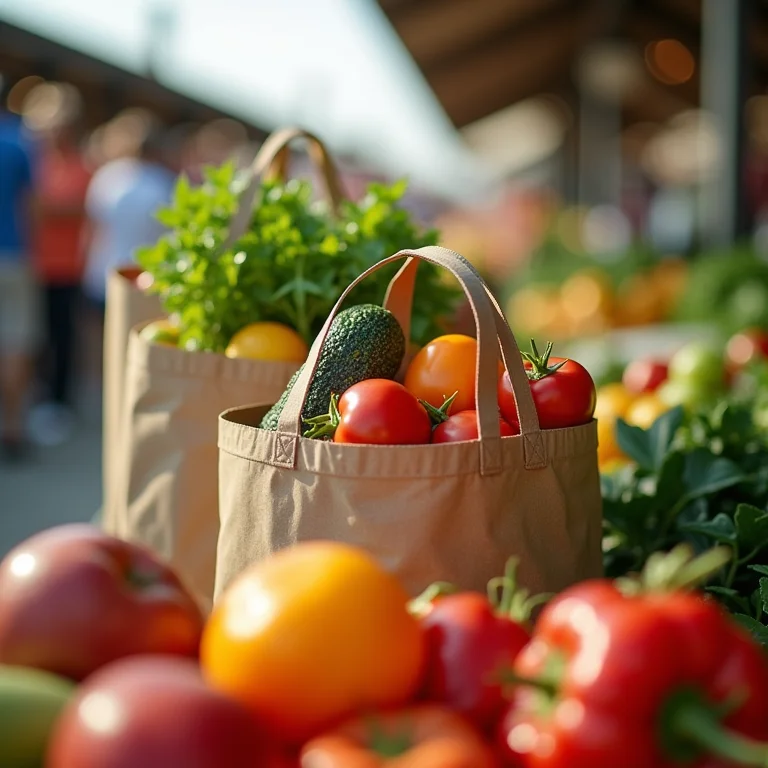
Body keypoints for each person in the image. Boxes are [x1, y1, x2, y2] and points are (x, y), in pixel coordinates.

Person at [24, 83, 92, 445]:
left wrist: (39, 208)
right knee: (29, 338)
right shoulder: (34, 160)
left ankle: (58, 402)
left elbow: (79, 208)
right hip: (31, 263)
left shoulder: (82, 165)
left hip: (67, 266)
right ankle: (32, 396)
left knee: (61, 336)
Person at [82, 122, 176, 313]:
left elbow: (92, 226)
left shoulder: (108, 175)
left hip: (103, 275)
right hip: (145, 280)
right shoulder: (165, 183)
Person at [0, 102, 37, 460]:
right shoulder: (18, 143)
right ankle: (13, 428)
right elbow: (31, 205)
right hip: (12, 254)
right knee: (14, 343)